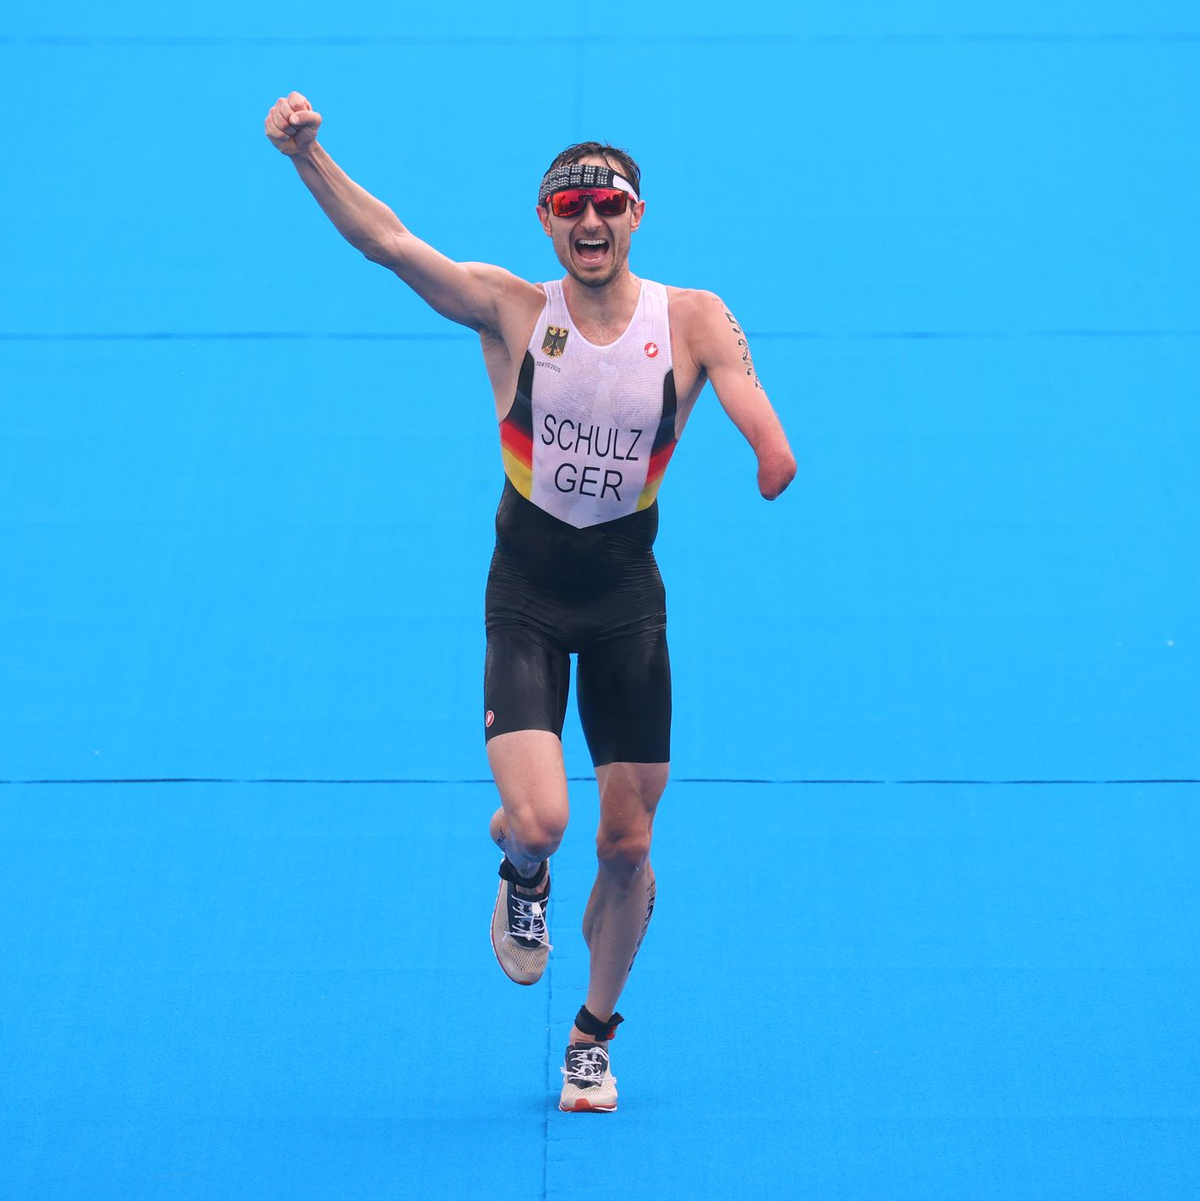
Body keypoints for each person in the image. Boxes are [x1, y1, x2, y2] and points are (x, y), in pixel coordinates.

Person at [264, 91, 796, 1113]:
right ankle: (519, 871)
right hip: (529, 598)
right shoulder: (513, 309)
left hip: (628, 596)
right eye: (569, 205)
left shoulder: (692, 316)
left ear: (637, 215)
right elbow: (391, 244)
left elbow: (742, 385)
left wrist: (768, 446)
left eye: (608, 202)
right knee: (545, 821)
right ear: (545, 221)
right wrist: (309, 157)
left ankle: (592, 1034)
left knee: (631, 843)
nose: (590, 221)